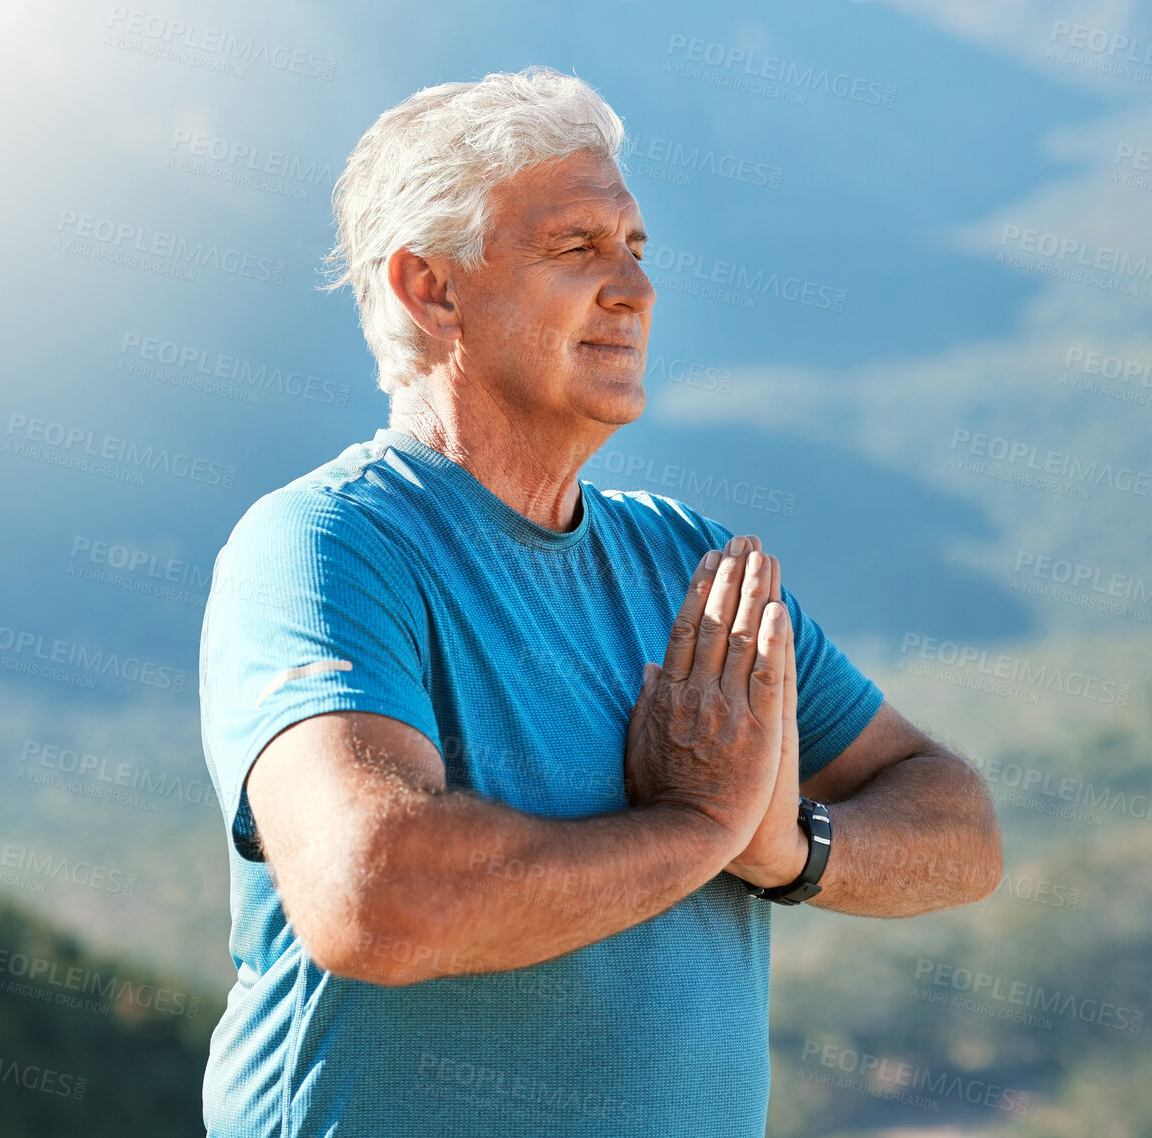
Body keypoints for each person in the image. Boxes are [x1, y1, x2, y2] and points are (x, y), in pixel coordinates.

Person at [195, 66, 1002, 1137]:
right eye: (576, 249)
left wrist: (780, 848)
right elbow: (375, 898)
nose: (634, 288)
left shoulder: (690, 565)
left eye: (635, 248)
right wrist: (699, 827)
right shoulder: (326, 545)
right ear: (428, 288)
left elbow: (957, 824)